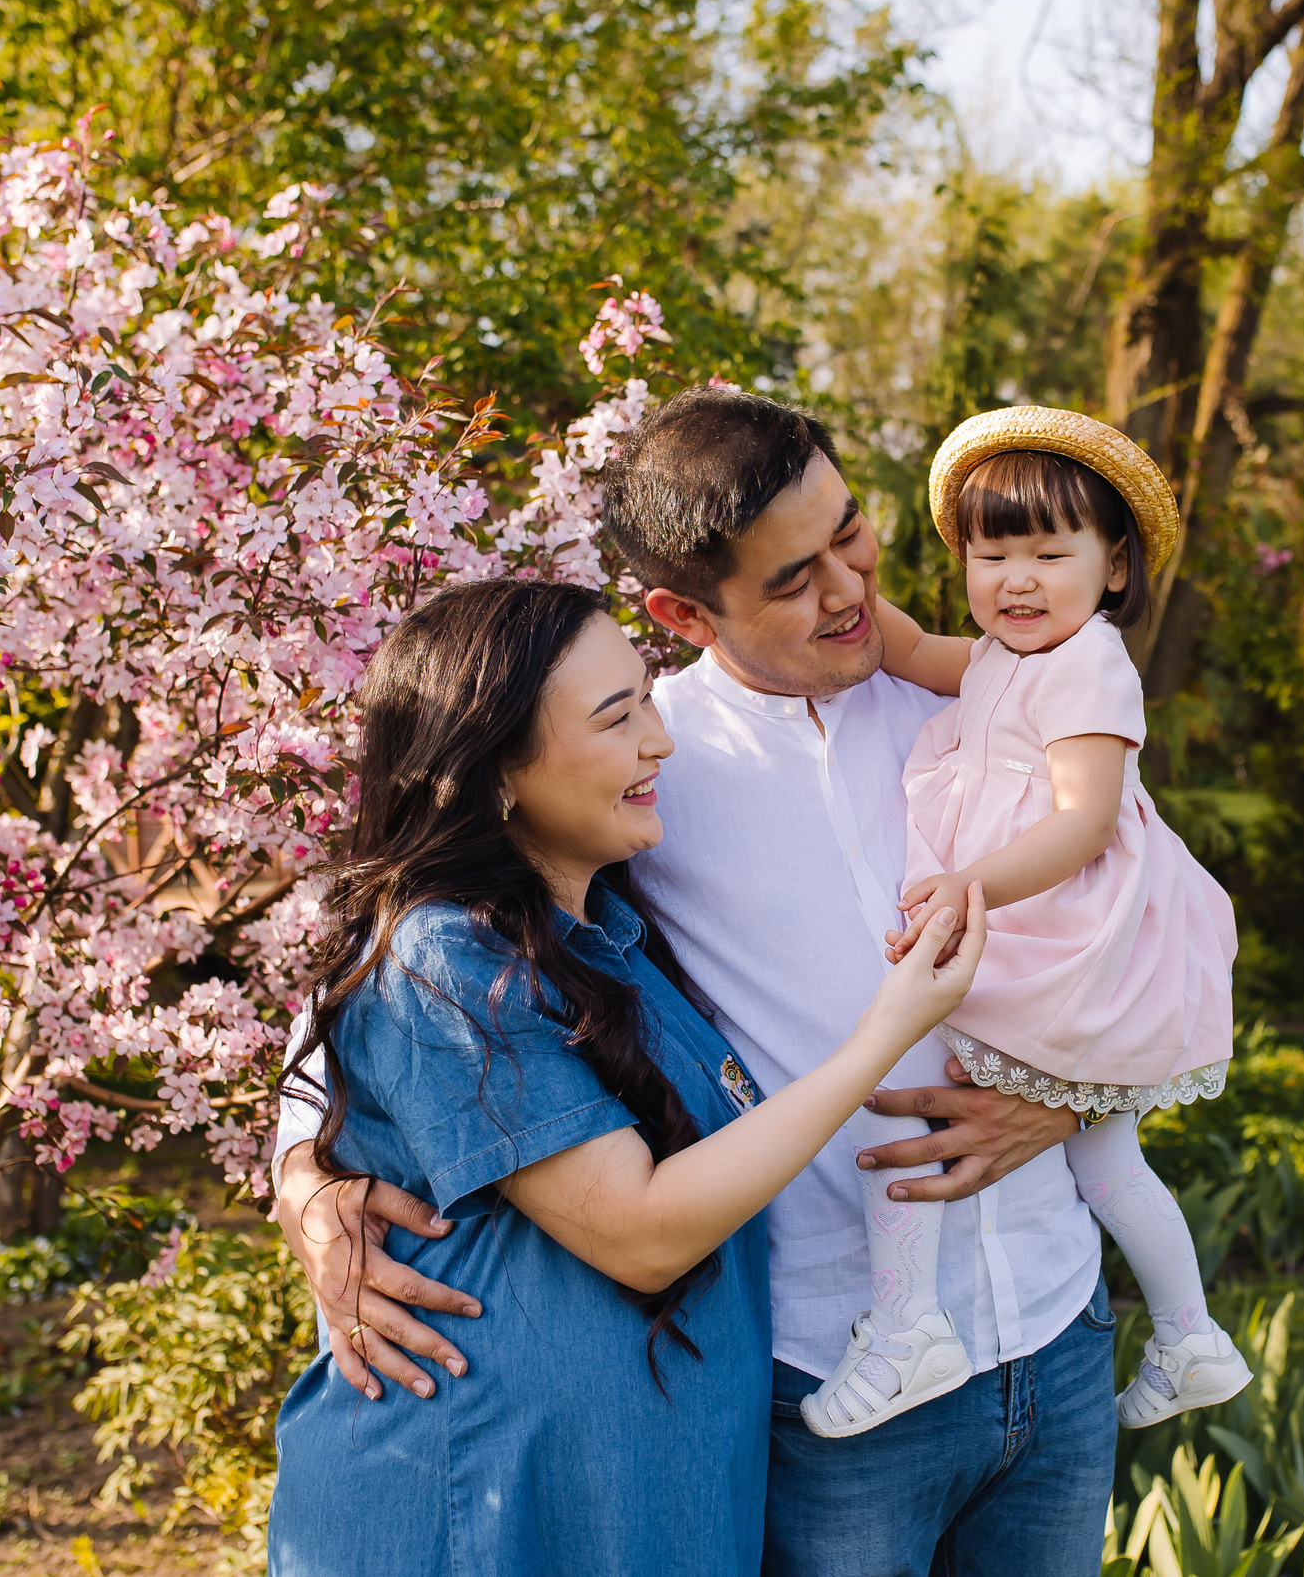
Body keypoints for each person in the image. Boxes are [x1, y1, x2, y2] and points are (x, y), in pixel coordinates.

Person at [270, 388, 1120, 1577]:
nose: (849, 587)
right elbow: (392, 991)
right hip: (831, 1381)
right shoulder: (634, 767)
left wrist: (1081, 1098)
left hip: (1053, 1324)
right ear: (683, 609)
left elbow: (1155, 936)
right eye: (791, 578)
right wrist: (308, 1186)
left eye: (850, 530)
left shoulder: (1000, 698)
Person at [813, 406, 1246, 1439]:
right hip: (1047, 927)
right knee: (1103, 1158)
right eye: (990, 552)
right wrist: (844, 594)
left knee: (907, 1084)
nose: (1016, 578)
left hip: (1067, 933)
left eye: (1051, 553)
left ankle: (908, 1320)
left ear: (1113, 570)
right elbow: (912, 649)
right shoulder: (1006, 658)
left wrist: (972, 884)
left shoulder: (1090, 665)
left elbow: (1086, 821)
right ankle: (1190, 1337)